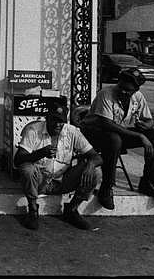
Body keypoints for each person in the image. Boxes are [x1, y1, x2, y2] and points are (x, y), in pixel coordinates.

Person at [79, 67, 154, 209]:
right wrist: (140, 136)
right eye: (121, 87)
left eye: (128, 90)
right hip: (94, 134)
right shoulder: (106, 93)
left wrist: (146, 126)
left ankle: (149, 182)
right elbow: (107, 123)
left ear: (136, 90)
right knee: (114, 139)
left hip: (118, 133)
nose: (123, 92)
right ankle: (106, 187)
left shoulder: (138, 97)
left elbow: (149, 120)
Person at [14, 97, 103, 231]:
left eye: (61, 121)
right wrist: (40, 153)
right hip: (40, 181)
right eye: (54, 120)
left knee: (95, 171)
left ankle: (72, 210)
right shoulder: (33, 130)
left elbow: (96, 157)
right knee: (27, 169)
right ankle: (33, 209)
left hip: (63, 180)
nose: (57, 125)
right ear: (47, 118)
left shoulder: (72, 131)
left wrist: (90, 165)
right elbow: (17, 160)